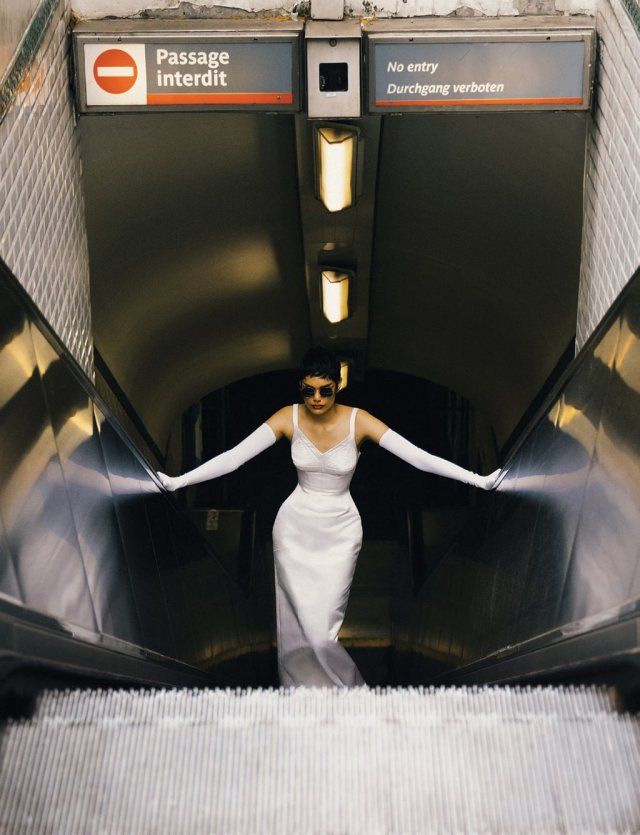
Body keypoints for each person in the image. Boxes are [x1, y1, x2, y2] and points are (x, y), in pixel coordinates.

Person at [158, 347, 500, 688]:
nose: (317, 399)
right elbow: (234, 458)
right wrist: (178, 481)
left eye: (326, 390)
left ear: (339, 385)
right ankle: (300, 701)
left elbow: (418, 457)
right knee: (295, 629)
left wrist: (478, 480)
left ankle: (349, 695)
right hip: (294, 529)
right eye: (309, 390)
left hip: (341, 530)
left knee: (321, 632)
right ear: (300, 387)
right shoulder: (287, 417)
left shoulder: (358, 420)